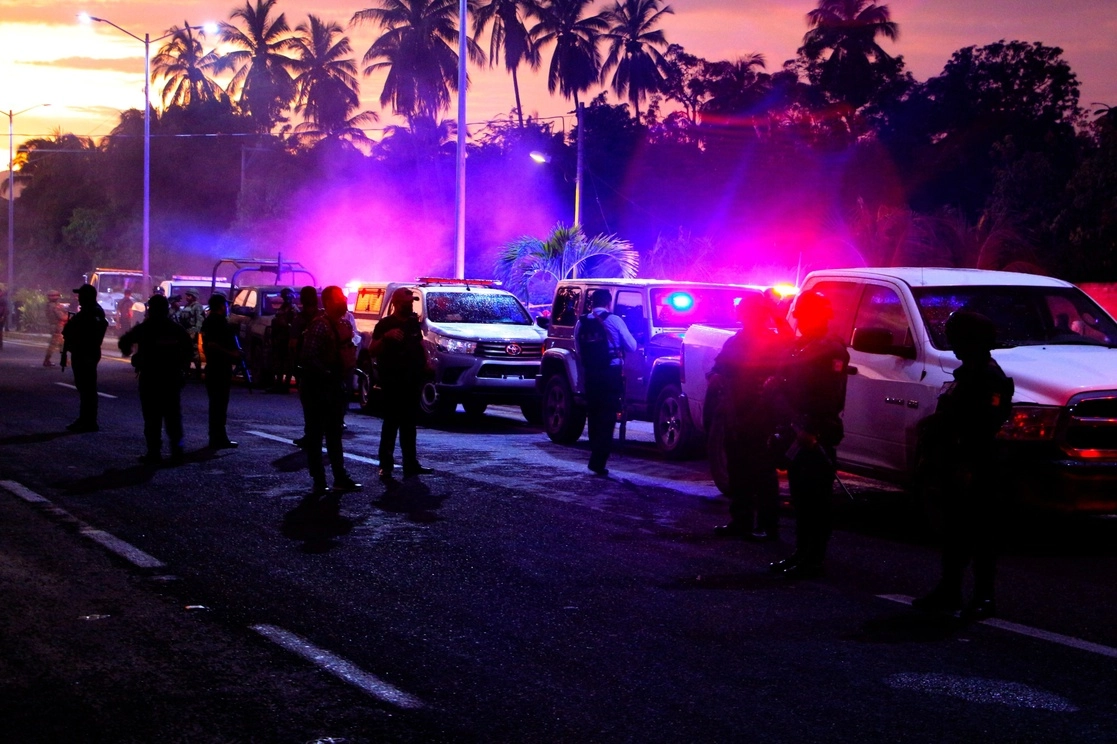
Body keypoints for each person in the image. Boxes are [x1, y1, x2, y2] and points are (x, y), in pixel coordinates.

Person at [912, 311, 1014, 621]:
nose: (953, 346)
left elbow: (983, 424)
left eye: (958, 339)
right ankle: (950, 590)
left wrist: (963, 459)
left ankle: (983, 597)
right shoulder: (967, 373)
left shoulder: (988, 377)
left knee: (980, 532)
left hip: (975, 464)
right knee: (955, 530)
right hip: (955, 462)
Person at [768, 290, 849, 579]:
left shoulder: (830, 349)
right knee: (801, 497)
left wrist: (811, 429)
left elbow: (829, 396)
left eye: (805, 314)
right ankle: (802, 552)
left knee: (816, 499)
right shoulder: (801, 346)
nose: (800, 320)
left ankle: (814, 557)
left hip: (815, 430)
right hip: (797, 427)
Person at [712, 293, 791, 540]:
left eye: (747, 311)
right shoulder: (737, 341)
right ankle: (742, 521)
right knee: (739, 470)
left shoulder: (773, 341)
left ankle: (768, 526)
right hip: (737, 413)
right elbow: (719, 371)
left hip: (761, 414)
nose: (743, 315)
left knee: (762, 473)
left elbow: (789, 351)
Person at [299, 285, 361, 495]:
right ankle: (319, 480)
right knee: (316, 434)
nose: (343, 301)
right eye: (338, 299)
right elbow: (308, 357)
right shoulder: (319, 326)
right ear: (326, 302)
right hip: (317, 387)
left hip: (334, 385)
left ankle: (339, 477)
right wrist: (327, 374)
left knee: (334, 434)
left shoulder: (343, 323)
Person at [118, 294, 194, 465]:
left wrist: (135, 356)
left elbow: (125, 342)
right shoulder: (175, 329)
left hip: (150, 379)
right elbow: (189, 351)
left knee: (152, 418)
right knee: (173, 417)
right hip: (171, 379)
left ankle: (154, 452)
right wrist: (182, 369)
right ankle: (177, 451)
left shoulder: (146, 328)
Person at [368, 287, 431, 483]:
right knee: (391, 424)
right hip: (393, 381)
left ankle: (410, 463)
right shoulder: (385, 324)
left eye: (411, 302)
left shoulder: (413, 324)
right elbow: (372, 350)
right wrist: (387, 337)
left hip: (412, 380)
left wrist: (427, 360)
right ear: (395, 303)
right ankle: (385, 466)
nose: (409, 305)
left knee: (409, 425)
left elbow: (419, 344)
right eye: (405, 303)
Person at [574, 288, 638, 476]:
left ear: (591, 303)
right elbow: (632, 346)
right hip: (611, 373)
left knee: (593, 414)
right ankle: (599, 460)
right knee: (608, 416)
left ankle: (595, 453)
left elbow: (578, 351)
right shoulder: (614, 320)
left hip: (591, 374)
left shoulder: (582, 322)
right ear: (608, 303)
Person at [60, 284, 109, 433]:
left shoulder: (92, 312)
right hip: (81, 351)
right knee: (84, 387)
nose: (78, 298)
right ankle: (85, 419)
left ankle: (89, 420)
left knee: (88, 388)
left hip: (86, 352)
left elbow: (91, 331)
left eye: (81, 295)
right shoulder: (87, 311)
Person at [200, 293, 241, 450]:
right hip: (218, 368)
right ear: (221, 306)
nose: (228, 307)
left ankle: (217, 437)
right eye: (226, 304)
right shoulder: (217, 322)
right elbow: (212, 345)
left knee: (217, 405)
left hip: (215, 367)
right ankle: (218, 438)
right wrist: (233, 354)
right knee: (219, 405)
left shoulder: (211, 321)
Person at [289, 286, 320, 448]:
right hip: (324, 367)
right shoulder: (323, 316)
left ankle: (311, 435)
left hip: (306, 366)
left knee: (309, 403)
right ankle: (320, 435)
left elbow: (293, 343)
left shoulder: (299, 319)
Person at [269, 288, 297, 392]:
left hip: (287, 339)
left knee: (288, 363)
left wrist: (285, 325)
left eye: (287, 296)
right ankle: (279, 384)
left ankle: (285, 386)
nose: (286, 298)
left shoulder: (293, 310)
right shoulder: (283, 307)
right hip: (280, 338)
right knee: (278, 362)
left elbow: (294, 326)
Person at [178, 290, 207, 378]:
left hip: (193, 331)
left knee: (194, 351)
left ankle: (198, 370)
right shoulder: (187, 306)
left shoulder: (197, 307)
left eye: (189, 296)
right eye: (187, 295)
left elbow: (199, 320)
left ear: (194, 296)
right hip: (186, 331)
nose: (187, 297)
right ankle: (186, 369)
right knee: (185, 351)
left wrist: (196, 332)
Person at [43, 290, 69, 367]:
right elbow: (62, 317)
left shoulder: (49, 305)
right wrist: (68, 316)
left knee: (61, 344)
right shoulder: (55, 306)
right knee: (53, 345)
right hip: (58, 326)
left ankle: (65, 360)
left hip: (55, 326)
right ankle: (47, 361)